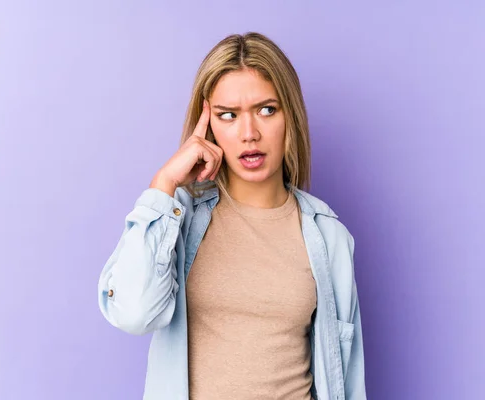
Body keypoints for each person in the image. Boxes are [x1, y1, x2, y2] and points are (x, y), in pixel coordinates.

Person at [98, 32, 366, 400]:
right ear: (207, 126)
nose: (249, 133)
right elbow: (133, 313)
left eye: (267, 110)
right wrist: (163, 185)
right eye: (228, 115)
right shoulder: (177, 218)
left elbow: (347, 380)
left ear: (290, 116)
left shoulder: (328, 236)